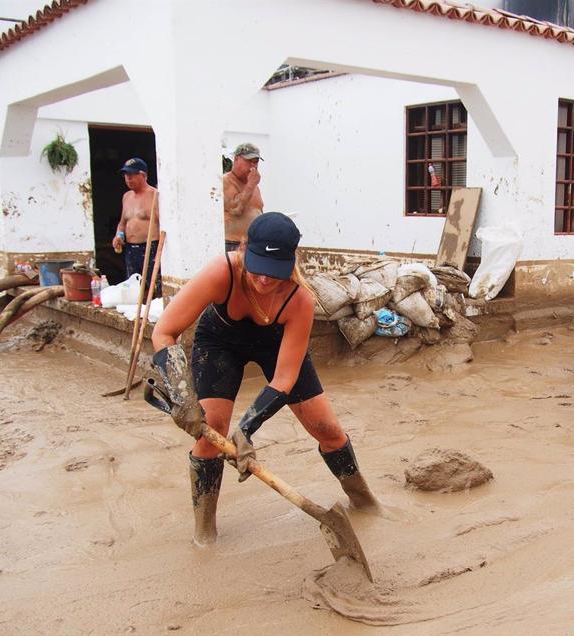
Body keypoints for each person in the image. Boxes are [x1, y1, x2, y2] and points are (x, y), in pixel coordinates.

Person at [150, 211, 379, 546]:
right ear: (244, 248)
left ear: (292, 260)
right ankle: (204, 532)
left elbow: (285, 378)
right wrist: (182, 395)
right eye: (257, 268)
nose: (264, 280)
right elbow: (164, 331)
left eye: (274, 272)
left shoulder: (299, 299)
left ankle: (364, 502)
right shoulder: (222, 272)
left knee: (327, 429)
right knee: (210, 429)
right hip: (220, 343)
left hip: (277, 347)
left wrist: (246, 429)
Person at [112, 157, 162, 296]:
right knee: (133, 286)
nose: (128, 179)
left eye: (132, 175)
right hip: (130, 249)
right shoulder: (126, 196)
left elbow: (163, 223)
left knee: (153, 287)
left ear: (143, 175)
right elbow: (122, 223)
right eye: (126, 176)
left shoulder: (155, 195)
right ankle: (136, 314)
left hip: (150, 247)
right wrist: (118, 235)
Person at [222, 143, 265, 252]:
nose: (253, 165)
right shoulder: (225, 182)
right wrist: (251, 185)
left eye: (256, 161)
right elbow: (235, 209)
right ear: (236, 159)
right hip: (231, 244)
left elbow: (258, 211)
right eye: (249, 160)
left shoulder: (254, 186)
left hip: (252, 245)